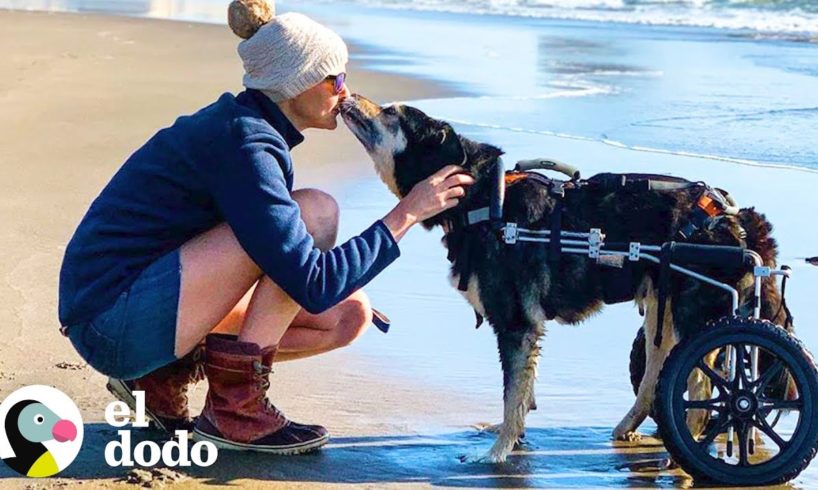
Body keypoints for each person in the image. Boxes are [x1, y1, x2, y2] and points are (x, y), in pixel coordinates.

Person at [57, 0, 474, 454]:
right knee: (316, 215)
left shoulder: (248, 129)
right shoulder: (247, 144)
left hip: (131, 305)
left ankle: (161, 376)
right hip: (111, 322)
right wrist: (407, 213)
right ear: (296, 86)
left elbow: (300, 276)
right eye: (335, 79)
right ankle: (236, 411)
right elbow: (311, 282)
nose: (346, 92)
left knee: (347, 317)